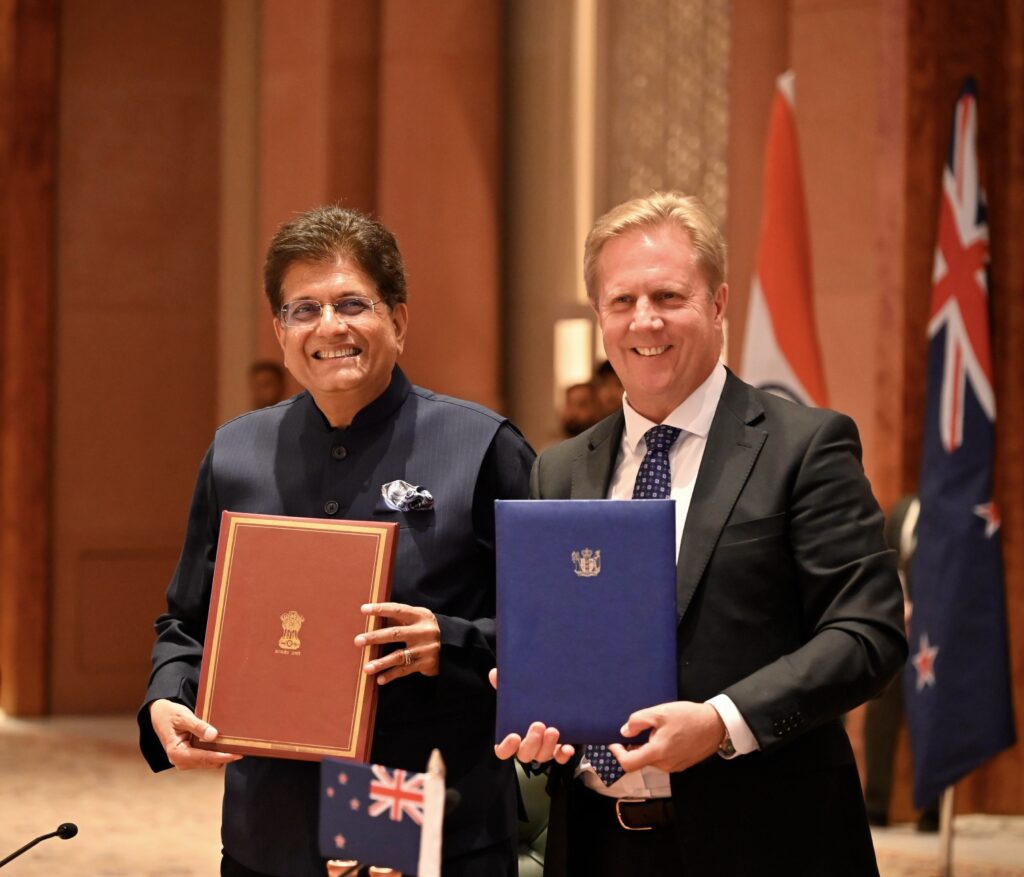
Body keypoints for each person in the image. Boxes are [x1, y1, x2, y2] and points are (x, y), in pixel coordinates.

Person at [494, 192, 907, 876]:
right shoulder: (558, 469)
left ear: (717, 304)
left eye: (668, 296)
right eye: (622, 300)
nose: (644, 320)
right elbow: (556, 642)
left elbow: (869, 634)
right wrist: (536, 707)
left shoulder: (805, 446)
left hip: (767, 844)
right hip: (595, 847)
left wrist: (720, 722)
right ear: (599, 315)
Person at [139, 205, 535, 876]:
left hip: (433, 823)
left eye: (353, 303)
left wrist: (451, 642)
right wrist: (167, 695)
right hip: (271, 832)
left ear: (398, 320)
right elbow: (186, 619)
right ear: (280, 330)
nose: (329, 327)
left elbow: (552, 635)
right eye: (304, 309)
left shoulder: (481, 447)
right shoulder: (236, 453)